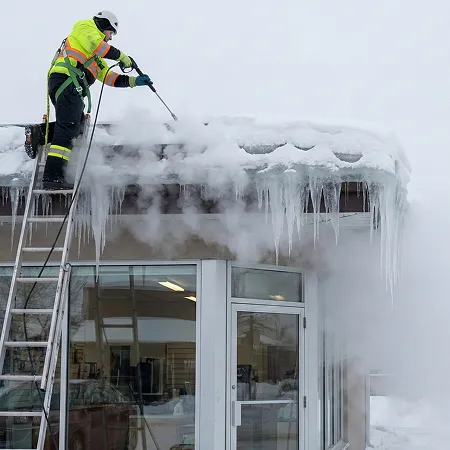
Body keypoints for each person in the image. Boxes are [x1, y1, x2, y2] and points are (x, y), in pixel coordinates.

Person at [39, 11, 152, 190]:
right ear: (105, 25)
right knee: (68, 126)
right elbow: (98, 46)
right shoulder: (85, 27)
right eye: (111, 33)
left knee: (74, 126)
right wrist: (122, 56)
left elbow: (108, 77)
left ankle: (37, 135)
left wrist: (134, 81)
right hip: (65, 81)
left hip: (69, 87)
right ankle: (52, 178)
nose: (110, 38)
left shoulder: (96, 58)